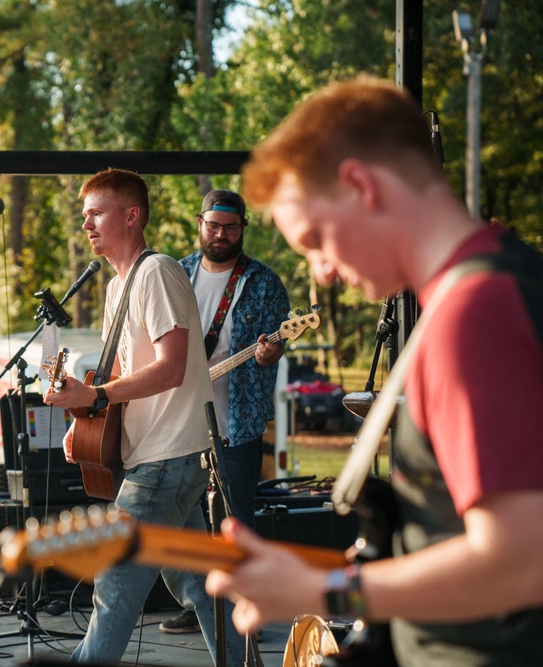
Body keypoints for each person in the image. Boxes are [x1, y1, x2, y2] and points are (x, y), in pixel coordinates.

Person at [204, 75, 543, 665]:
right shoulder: (495, 285)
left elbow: (522, 560)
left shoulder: (476, 311)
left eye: (315, 241)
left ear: (359, 185)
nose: (324, 272)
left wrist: (326, 590)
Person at [43, 167, 242, 665]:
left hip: (165, 458)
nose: (86, 224)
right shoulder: (118, 286)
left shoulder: (157, 273)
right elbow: (117, 370)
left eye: (96, 214)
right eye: (84, 215)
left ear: (131, 216)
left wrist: (100, 396)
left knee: (114, 585)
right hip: (168, 457)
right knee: (199, 584)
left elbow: (171, 367)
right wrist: (80, 415)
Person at [160, 188, 289, 634]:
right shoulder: (176, 274)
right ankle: (198, 603)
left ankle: (240, 607)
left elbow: (277, 344)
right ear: (200, 223)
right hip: (179, 417)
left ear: (242, 229)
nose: (220, 234)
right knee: (185, 516)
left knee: (235, 518)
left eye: (229, 228)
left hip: (237, 418)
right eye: (212, 226)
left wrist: (271, 353)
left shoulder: (264, 282)